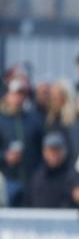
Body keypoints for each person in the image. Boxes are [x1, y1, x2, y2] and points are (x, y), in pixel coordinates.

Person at [0, 78, 44, 206]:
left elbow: (42, 149)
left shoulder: (34, 120)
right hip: (6, 180)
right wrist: (5, 156)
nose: (18, 98)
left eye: (21, 94)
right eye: (14, 94)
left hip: (32, 180)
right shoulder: (1, 120)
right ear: (7, 96)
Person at [26, 132, 76, 208]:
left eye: (57, 150)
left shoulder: (72, 177)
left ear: (64, 152)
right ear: (44, 152)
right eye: (50, 151)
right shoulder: (36, 177)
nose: (53, 155)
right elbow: (27, 203)